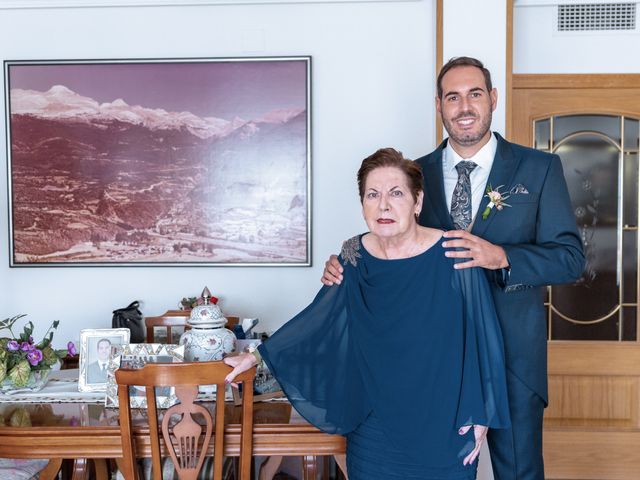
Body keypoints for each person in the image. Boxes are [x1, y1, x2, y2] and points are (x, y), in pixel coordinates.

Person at [321, 57, 585, 479]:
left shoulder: (538, 169)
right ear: (439, 105)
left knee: (518, 471)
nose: (464, 106)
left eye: (475, 94)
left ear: (493, 99)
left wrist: (503, 256)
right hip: (433, 362)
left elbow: (570, 258)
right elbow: (386, 238)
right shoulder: (414, 174)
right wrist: (345, 263)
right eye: (453, 96)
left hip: (513, 356)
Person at [225, 148, 511, 480]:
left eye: (396, 193)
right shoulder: (354, 256)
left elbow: (482, 335)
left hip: (444, 425)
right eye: (372, 195)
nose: (384, 205)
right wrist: (257, 358)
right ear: (363, 205)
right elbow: (319, 319)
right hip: (373, 425)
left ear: (417, 202)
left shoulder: (455, 253)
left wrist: (480, 414)